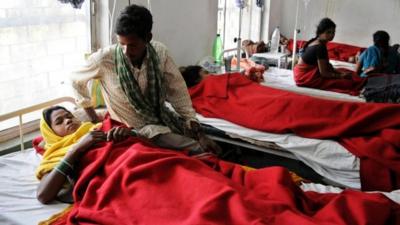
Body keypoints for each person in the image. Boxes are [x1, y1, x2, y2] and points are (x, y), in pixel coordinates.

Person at [71, 4, 220, 154]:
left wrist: (196, 129)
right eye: (121, 44)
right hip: (133, 129)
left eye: (132, 45)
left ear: (148, 38)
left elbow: (178, 92)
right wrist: (93, 116)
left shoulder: (160, 53)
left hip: (161, 118)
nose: (126, 52)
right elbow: (75, 80)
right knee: (197, 149)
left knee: (202, 142)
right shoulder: (104, 60)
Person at [36, 106, 131, 204]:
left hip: (131, 164)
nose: (68, 120)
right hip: (112, 183)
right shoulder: (55, 155)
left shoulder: (99, 128)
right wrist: (75, 149)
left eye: (70, 116)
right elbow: (43, 195)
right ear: (50, 133)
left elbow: (137, 143)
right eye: (59, 122)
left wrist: (128, 133)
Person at [293, 18, 364, 95]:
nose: (331, 35)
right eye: (328, 32)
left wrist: (339, 72)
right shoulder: (320, 47)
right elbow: (324, 73)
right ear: (320, 32)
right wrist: (340, 76)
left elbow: (325, 66)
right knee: (347, 83)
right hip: (305, 78)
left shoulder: (315, 40)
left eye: (333, 32)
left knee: (346, 71)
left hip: (300, 75)